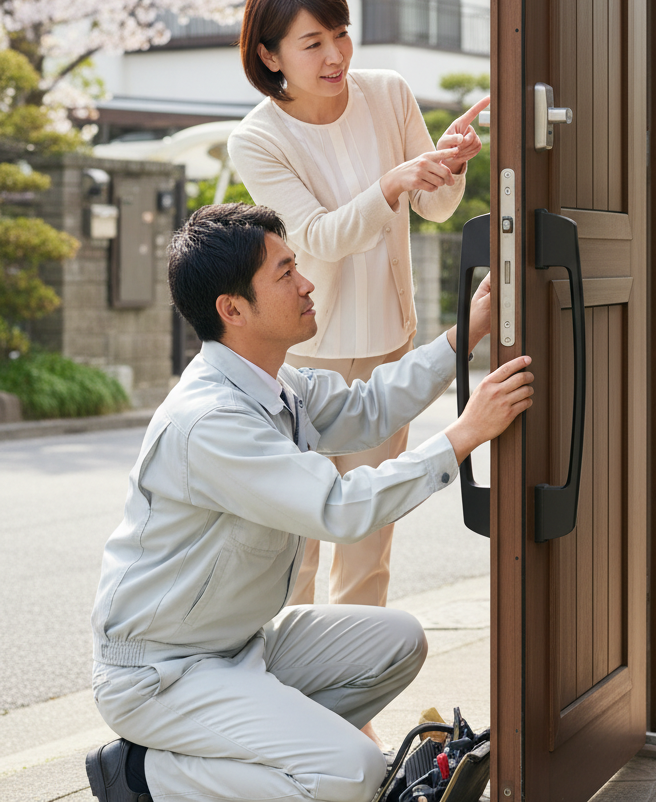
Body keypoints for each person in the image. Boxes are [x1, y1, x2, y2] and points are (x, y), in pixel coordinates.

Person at [86, 203, 532, 802]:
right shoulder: (210, 422)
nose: (307, 283)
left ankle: (279, 759)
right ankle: (143, 775)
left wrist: (468, 332)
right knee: (353, 773)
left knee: (399, 640)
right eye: (286, 272)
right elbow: (340, 508)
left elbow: (369, 407)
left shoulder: (276, 384)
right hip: (162, 673)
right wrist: (462, 437)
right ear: (233, 309)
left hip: (241, 645)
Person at [227, 0, 487, 746]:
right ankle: (282, 714)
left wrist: (448, 159)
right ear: (272, 55)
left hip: (384, 347)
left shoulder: (387, 90)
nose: (336, 54)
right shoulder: (258, 136)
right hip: (302, 362)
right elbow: (314, 238)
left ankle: (353, 712)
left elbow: (435, 207)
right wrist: (393, 182)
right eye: (313, 42)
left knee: (367, 546)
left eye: (341, 34)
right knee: (293, 552)